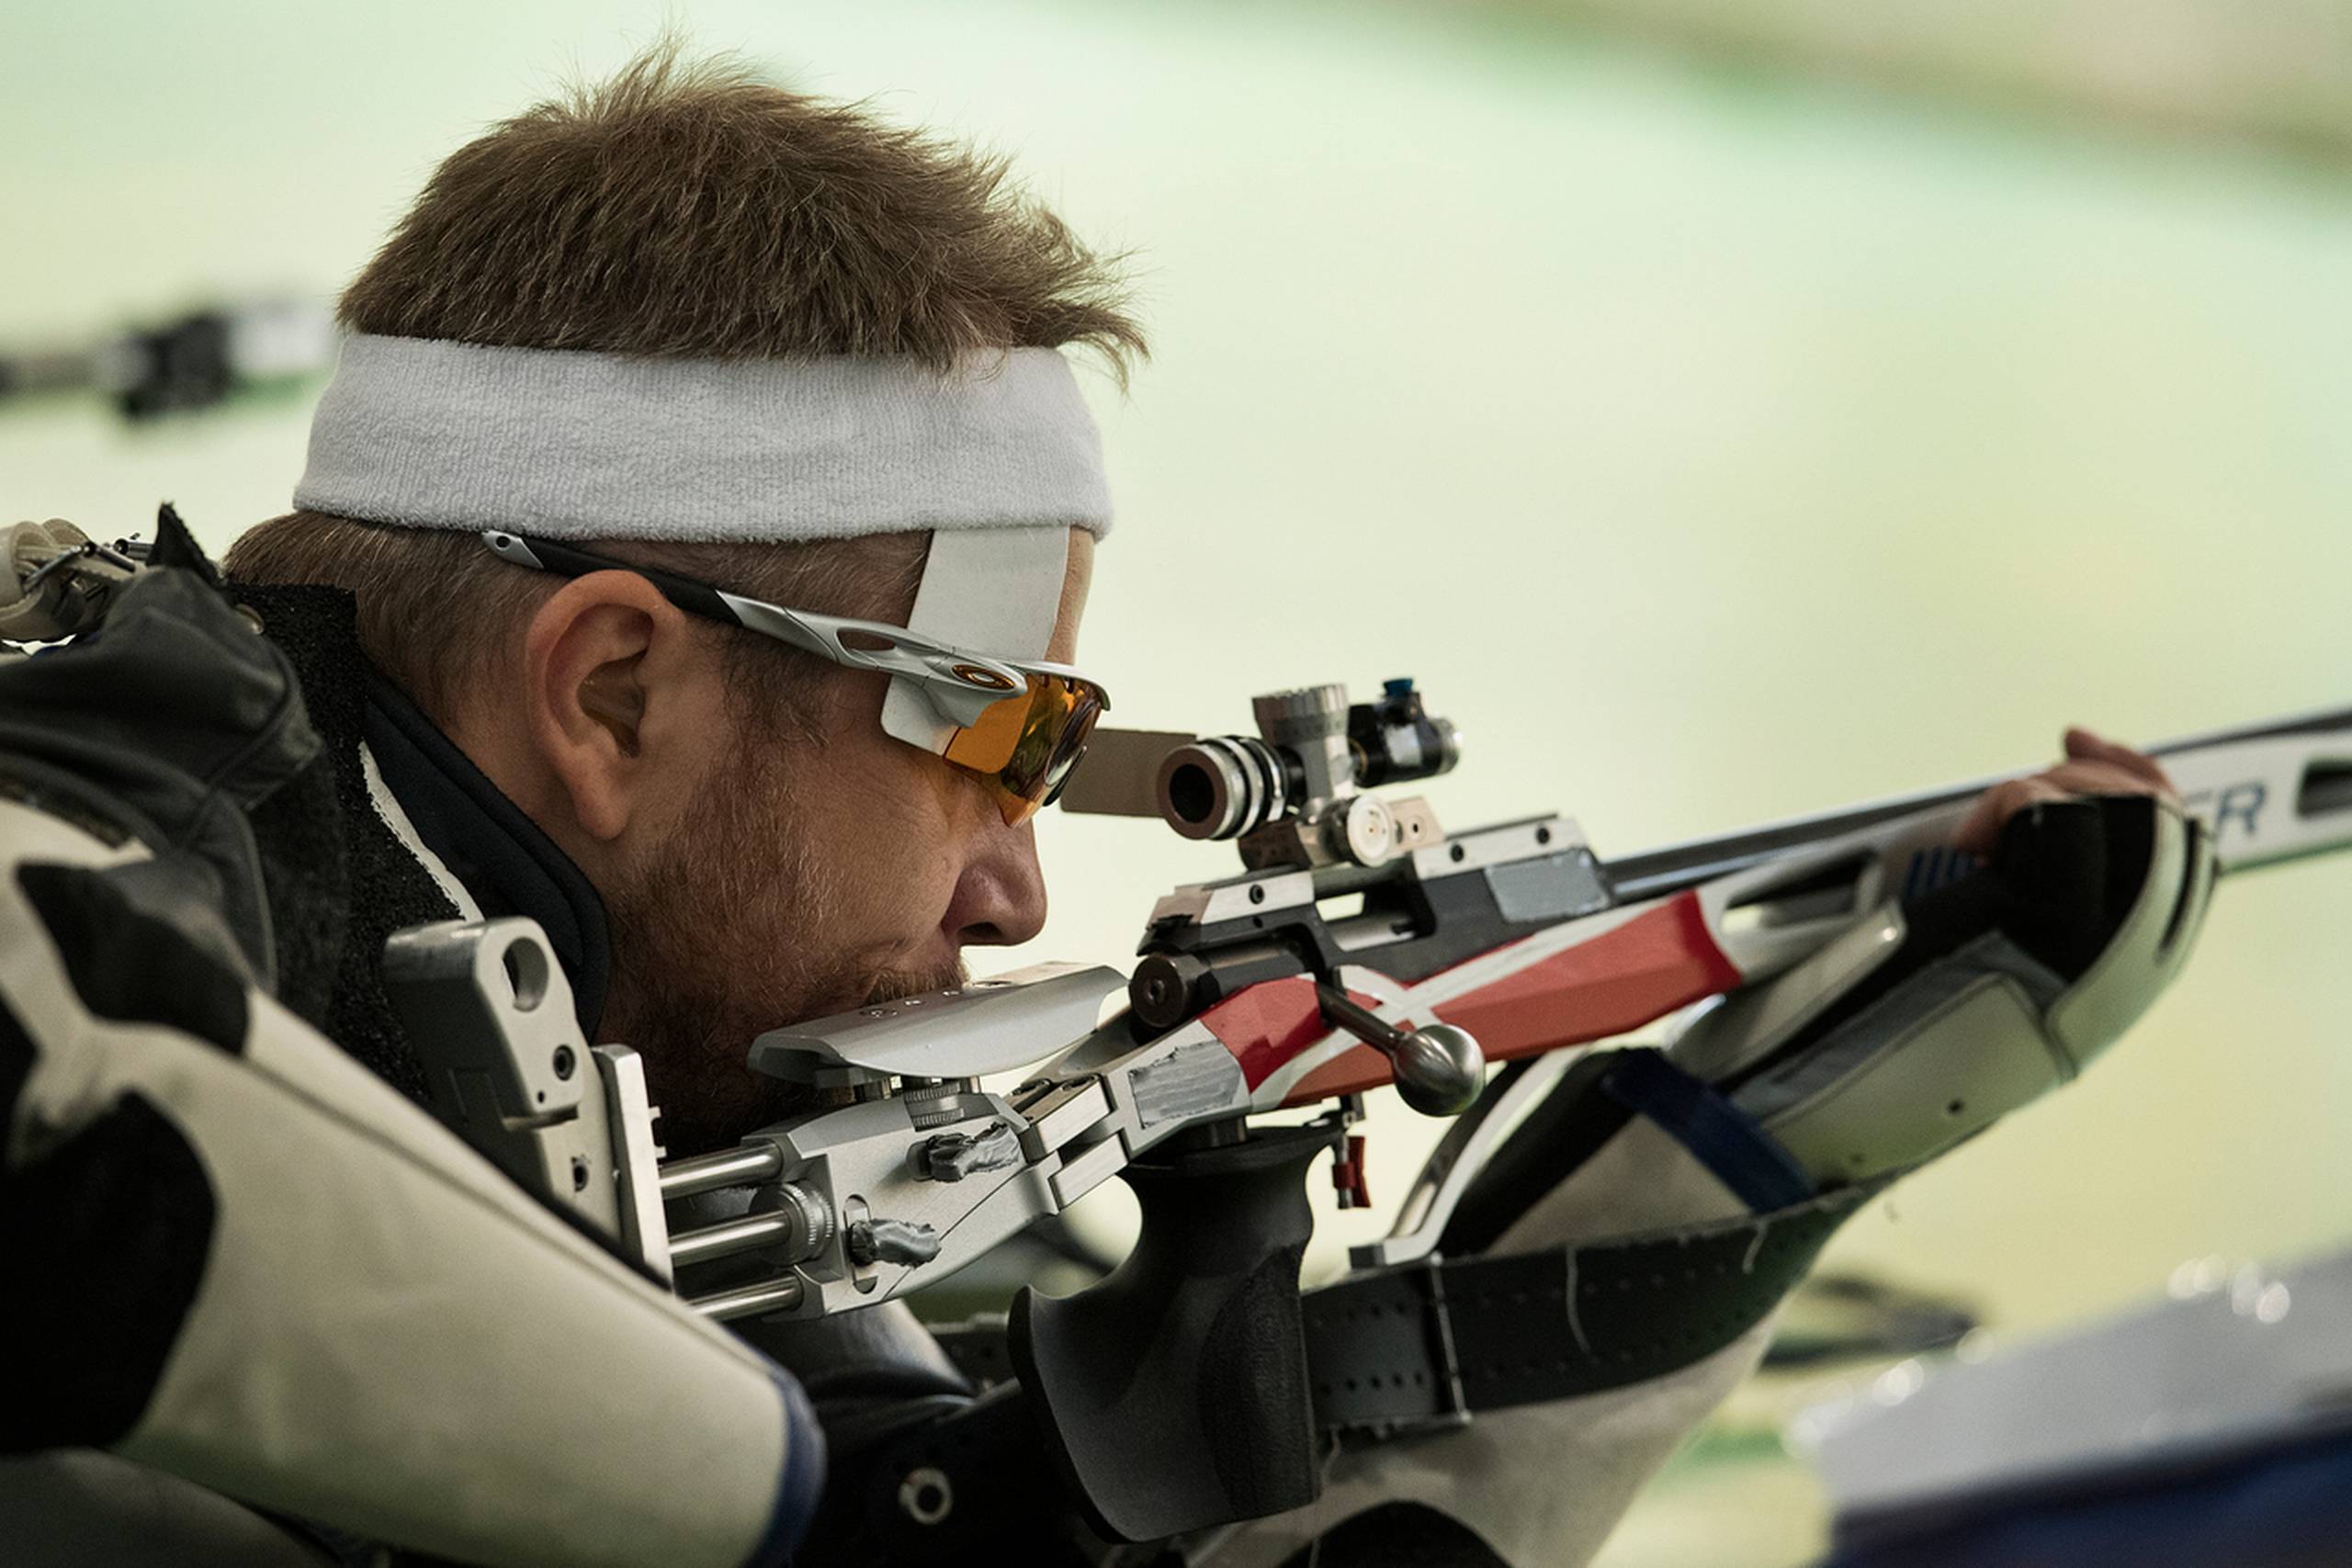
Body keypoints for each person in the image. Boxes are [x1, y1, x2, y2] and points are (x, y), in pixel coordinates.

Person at [0, 45, 2208, 1568]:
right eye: (988, 741)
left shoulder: (647, 1108)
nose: (1013, 883)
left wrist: (1745, 1146)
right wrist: (799, 1505)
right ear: (611, 686)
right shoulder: (91, 841)